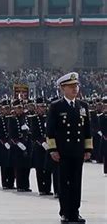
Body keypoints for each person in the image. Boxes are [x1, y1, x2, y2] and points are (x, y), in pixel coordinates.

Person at [47, 72, 92, 223]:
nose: (75, 89)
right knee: (64, 183)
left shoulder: (83, 106)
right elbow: (50, 131)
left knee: (76, 182)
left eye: (76, 86)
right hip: (63, 151)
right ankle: (65, 212)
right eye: (71, 86)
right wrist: (53, 150)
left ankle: (75, 211)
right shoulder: (56, 106)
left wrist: (88, 149)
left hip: (78, 151)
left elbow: (87, 130)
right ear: (62, 88)